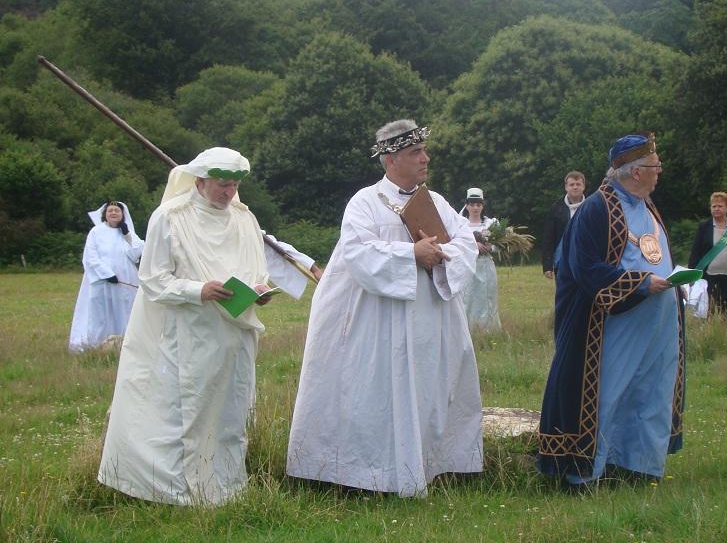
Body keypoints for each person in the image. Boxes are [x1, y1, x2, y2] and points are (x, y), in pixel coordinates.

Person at [286, 120, 484, 497]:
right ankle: (366, 475)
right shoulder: (365, 203)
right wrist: (411, 254)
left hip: (430, 320)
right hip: (378, 324)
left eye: (424, 151)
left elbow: (465, 242)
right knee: (373, 395)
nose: (425, 159)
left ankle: (431, 465)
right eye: (415, 153)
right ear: (391, 160)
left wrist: (439, 253)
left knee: (428, 390)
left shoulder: (436, 202)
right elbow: (358, 252)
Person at [98, 147, 276, 505]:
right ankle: (179, 491)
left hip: (235, 334)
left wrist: (260, 291)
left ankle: (227, 486)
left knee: (231, 411)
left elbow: (256, 270)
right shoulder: (170, 217)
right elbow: (153, 278)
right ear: (200, 181)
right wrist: (198, 290)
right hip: (188, 332)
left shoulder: (244, 218)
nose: (228, 192)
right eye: (222, 185)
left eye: (234, 186)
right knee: (186, 411)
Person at [537, 133, 686, 490]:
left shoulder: (647, 206)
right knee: (608, 393)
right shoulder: (596, 209)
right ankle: (586, 474)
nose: (659, 171)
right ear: (636, 172)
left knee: (649, 393)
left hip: (656, 325)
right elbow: (584, 269)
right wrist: (640, 283)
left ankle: (638, 467)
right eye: (655, 166)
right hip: (611, 327)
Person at [68, 201, 144, 352]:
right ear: (105, 214)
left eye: (117, 210)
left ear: (123, 214)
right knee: (100, 314)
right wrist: (107, 274)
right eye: (110, 210)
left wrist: (127, 235)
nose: (113, 213)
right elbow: (91, 257)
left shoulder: (127, 232)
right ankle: (97, 346)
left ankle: (122, 345)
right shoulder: (96, 232)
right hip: (101, 280)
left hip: (124, 281)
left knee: (124, 311)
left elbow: (136, 254)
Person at [688, 191, 727, 322]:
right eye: (714, 206)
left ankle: (722, 330)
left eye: (720, 206)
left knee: (725, 306)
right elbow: (695, 251)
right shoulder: (704, 226)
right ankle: (706, 330)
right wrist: (691, 273)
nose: (716, 209)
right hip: (708, 275)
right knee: (707, 307)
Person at [461, 187, 501, 331]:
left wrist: (490, 247)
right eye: (472, 205)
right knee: (468, 297)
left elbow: (499, 245)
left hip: (486, 265)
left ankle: (489, 330)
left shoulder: (491, 224)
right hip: (468, 266)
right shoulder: (461, 224)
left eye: (478, 205)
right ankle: (468, 329)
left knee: (487, 297)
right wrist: (474, 246)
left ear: (482, 206)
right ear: (467, 206)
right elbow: (456, 244)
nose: (475, 208)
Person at [541, 171, 586, 278]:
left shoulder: (592, 206)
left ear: (583, 186)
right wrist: (547, 266)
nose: (575, 187)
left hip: (586, 262)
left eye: (578, 184)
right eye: (571, 184)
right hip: (561, 262)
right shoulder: (556, 208)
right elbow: (548, 238)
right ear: (566, 187)